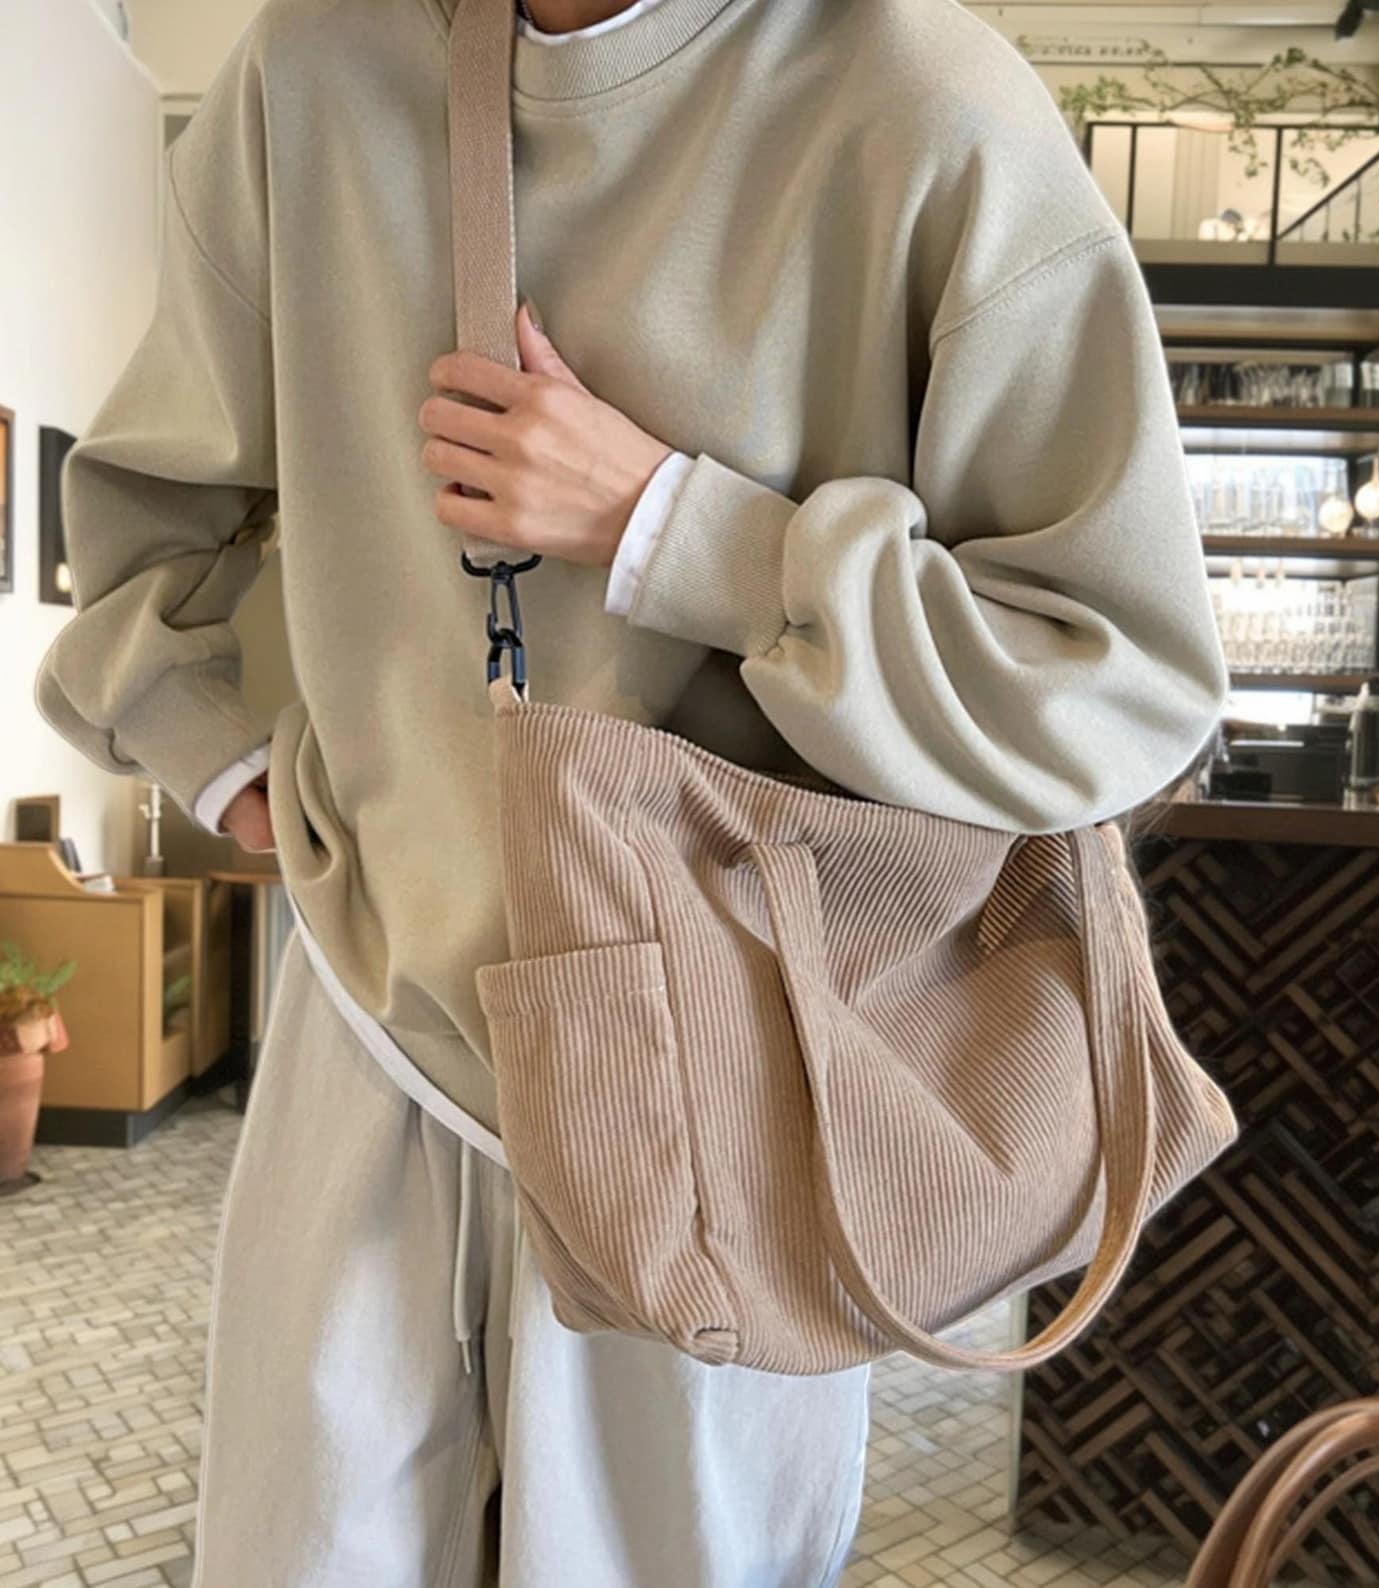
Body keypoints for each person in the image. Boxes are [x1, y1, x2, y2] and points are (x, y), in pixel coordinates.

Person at [33, 0, 1230, 1581]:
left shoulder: (921, 102)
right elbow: (144, 520)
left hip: (741, 1063)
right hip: (375, 1017)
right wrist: (233, 768)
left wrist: (676, 527)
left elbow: (1120, 674)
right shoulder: (313, 68)